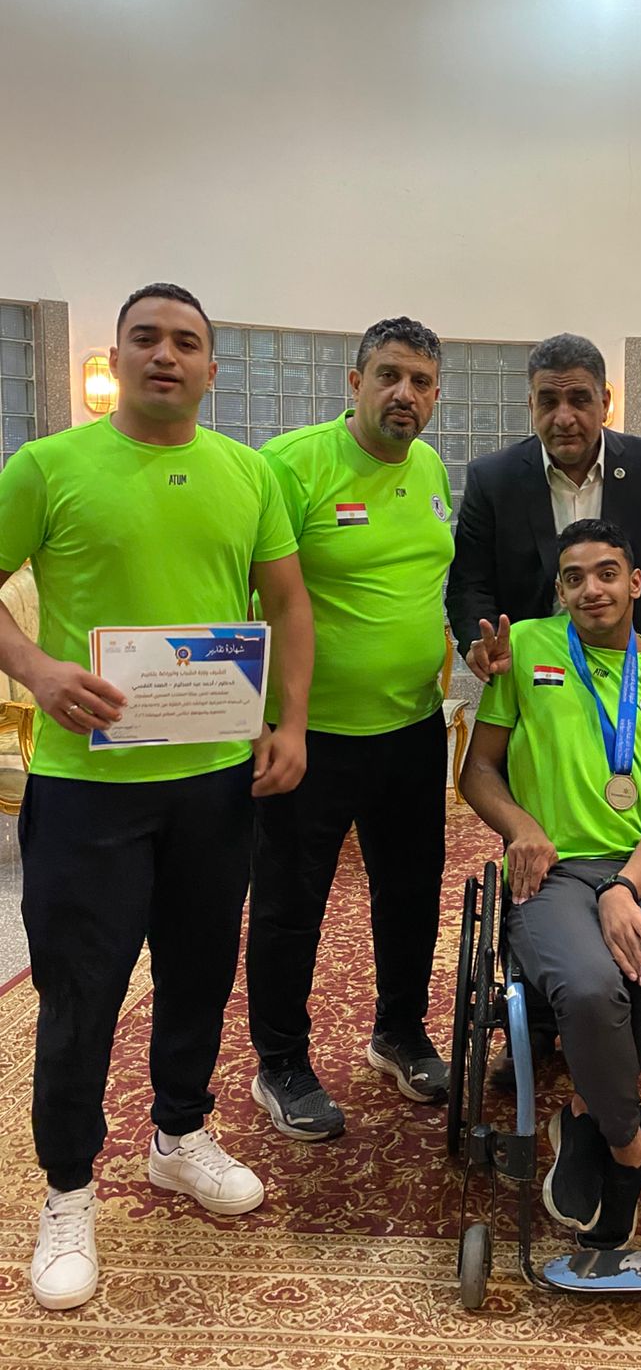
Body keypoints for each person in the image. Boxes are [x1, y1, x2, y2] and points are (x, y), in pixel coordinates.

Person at [0, 283, 313, 1311]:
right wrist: (38, 670)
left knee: (198, 974)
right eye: (146, 338)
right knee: (81, 993)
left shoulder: (248, 473)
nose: (166, 355)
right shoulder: (46, 466)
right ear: (117, 357)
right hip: (86, 787)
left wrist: (290, 722)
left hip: (213, 785)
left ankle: (179, 1135)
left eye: (186, 342)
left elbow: (288, 603)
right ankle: (68, 1191)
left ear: (211, 368)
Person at [461, 519, 641, 1248]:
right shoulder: (526, 648)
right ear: (560, 590)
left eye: (607, 573)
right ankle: (627, 1143)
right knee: (592, 985)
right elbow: (478, 771)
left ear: (635, 583)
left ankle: (586, 1116)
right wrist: (520, 826)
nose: (591, 589)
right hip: (553, 870)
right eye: (574, 578)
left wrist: (623, 889)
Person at [245, 316, 455, 1138]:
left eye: (421, 382)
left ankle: (399, 1033)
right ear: (355, 382)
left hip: (411, 728)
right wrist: (265, 722)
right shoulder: (291, 464)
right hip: (310, 737)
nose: (405, 394)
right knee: (292, 903)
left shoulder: (430, 468)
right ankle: (281, 1063)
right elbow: (243, 594)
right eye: (389, 375)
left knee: (411, 893)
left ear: (435, 395)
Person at [446, 333, 641, 715]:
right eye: (548, 401)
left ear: (604, 403)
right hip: (533, 681)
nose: (564, 417)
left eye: (580, 399)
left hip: (638, 676)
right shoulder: (493, 479)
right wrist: (480, 638)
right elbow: (469, 583)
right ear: (531, 405)